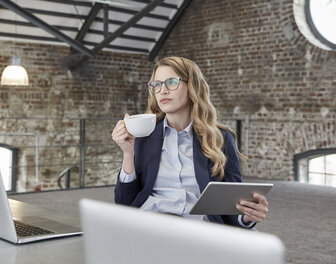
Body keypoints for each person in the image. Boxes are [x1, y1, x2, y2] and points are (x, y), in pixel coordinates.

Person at [112, 56, 268, 228]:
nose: (162, 90)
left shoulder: (220, 139)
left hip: (198, 230)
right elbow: (123, 205)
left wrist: (247, 216)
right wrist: (128, 153)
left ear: (192, 86)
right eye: (157, 84)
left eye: (171, 82)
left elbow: (230, 206)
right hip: (150, 224)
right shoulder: (143, 137)